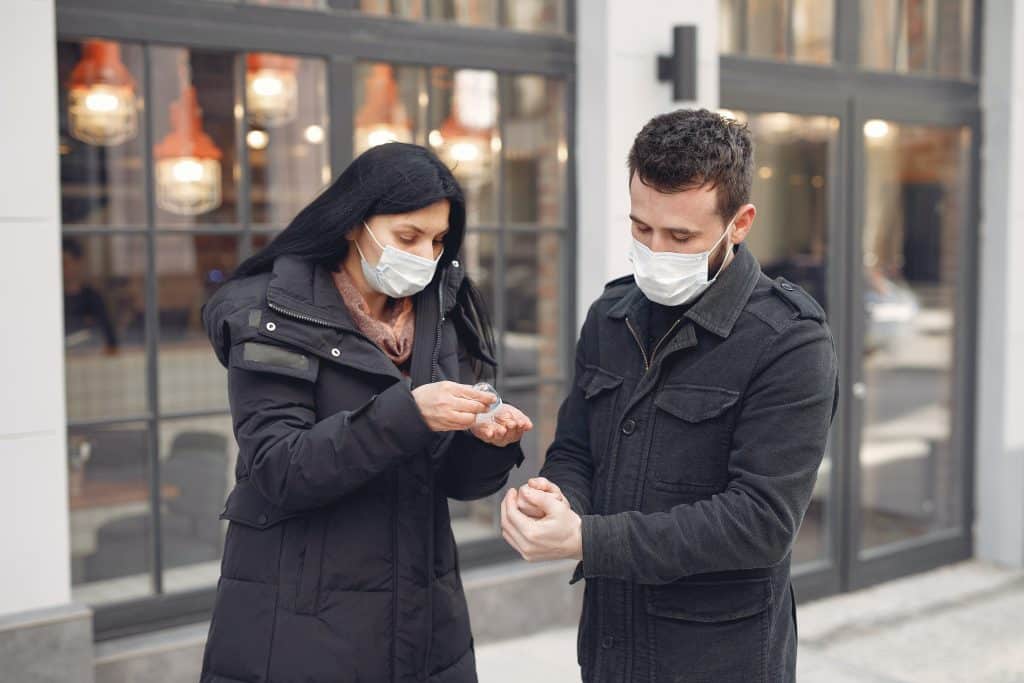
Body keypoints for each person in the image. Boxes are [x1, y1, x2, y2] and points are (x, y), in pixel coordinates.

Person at [500, 109, 839, 682]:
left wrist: (587, 538)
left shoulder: (790, 342)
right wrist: (555, 500)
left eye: (681, 236)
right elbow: (578, 450)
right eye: (641, 228)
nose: (655, 250)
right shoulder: (609, 315)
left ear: (741, 222)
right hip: (611, 649)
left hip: (720, 659)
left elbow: (761, 522)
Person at [199, 142, 533, 683]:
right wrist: (410, 414)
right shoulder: (272, 315)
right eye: (408, 237)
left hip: (425, 619)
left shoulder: (441, 312)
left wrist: (484, 443)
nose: (425, 255)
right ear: (355, 224)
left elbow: (450, 477)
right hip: (301, 622)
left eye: (438, 240)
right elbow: (280, 468)